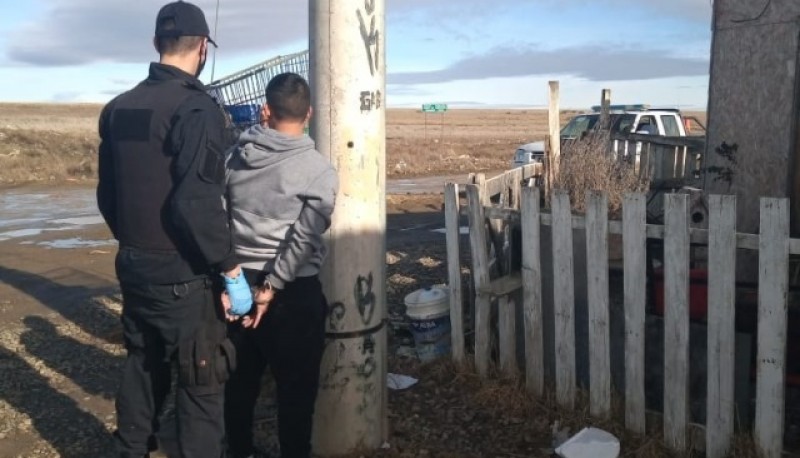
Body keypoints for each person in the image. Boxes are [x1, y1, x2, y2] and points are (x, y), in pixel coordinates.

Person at [96, 2, 252, 457]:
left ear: (155, 45)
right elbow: (196, 202)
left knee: (143, 366)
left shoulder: (117, 108)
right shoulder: (196, 109)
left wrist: (135, 243)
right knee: (201, 384)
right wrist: (230, 269)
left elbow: (109, 195)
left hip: (133, 262)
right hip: (183, 278)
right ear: (203, 48)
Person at [223, 72, 338, 458]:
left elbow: (218, 221)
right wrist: (271, 289)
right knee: (296, 396)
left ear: (265, 110)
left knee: (238, 387)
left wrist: (233, 280)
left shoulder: (234, 158)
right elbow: (304, 238)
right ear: (308, 115)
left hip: (236, 283)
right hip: (293, 293)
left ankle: (237, 451)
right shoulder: (319, 170)